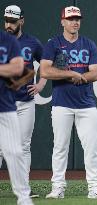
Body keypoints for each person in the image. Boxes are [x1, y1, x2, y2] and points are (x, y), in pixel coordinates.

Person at [40, 6, 97, 199]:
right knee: (60, 147)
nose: (75, 22)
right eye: (71, 19)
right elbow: (45, 71)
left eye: (77, 19)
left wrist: (80, 77)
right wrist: (71, 73)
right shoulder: (53, 43)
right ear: (62, 21)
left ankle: (95, 188)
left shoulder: (88, 44)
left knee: (91, 148)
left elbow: (96, 73)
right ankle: (58, 188)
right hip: (61, 103)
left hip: (86, 104)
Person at [0, 5, 46, 198]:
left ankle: (24, 189)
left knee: (24, 145)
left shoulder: (32, 43)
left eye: (12, 21)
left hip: (25, 102)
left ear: (21, 20)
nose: (9, 25)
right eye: (6, 20)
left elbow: (47, 64)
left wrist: (41, 84)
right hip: (3, 103)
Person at [0, 30, 34, 205]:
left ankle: (24, 197)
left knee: (15, 151)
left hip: (5, 106)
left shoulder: (7, 40)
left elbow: (18, 68)